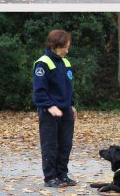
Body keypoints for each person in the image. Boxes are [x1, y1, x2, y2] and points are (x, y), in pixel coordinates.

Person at [32, 29, 78, 188]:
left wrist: (72, 105)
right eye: (64, 47)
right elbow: (39, 92)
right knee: (50, 145)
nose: (67, 50)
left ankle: (62, 175)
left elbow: (69, 87)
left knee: (66, 144)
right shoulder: (43, 63)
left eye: (68, 47)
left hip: (65, 111)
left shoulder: (66, 62)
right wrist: (50, 107)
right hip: (49, 112)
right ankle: (50, 178)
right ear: (54, 45)